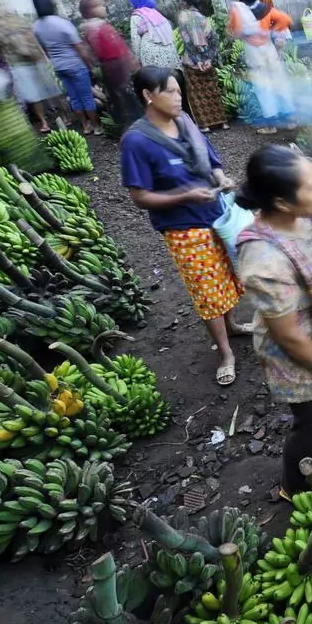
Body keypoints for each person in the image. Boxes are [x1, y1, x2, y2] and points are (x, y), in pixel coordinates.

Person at [235, 145, 312, 497]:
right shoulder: (263, 260)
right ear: (283, 202)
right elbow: (286, 334)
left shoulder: (301, 219)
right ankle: (297, 486)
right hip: (295, 350)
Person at [120, 67, 248, 386]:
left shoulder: (186, 123)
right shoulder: (136, 141)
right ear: (148, 96)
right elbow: (140, 196)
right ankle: (225, 352)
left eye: (179, 91)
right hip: (183, 227)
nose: (179, 98)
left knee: (228, 274)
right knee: (206, 289)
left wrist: (221, 179)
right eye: (170, 92)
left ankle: (232, 324)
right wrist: (185, 195)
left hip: (216, 214)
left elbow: (212, 161)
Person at [229, 0, 295, 133]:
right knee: (280, 84)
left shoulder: (237, 8)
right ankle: (291, 120)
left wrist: (246, 33)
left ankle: (271, 126)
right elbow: (286, 20)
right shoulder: (264, 7)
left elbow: (237, 31)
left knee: (263, 88)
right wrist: (270, 31)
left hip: (253, 52)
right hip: (269, 49)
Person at [31, 0, 101, 135]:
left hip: (59, 66)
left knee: (74, 98)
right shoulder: (62, 23)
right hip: (75, 65)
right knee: (87, 96)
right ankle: (97, 127)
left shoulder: (36, 26)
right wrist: (90, 65)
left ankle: (85, 126)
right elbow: (79, 47)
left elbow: (44, 49)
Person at [0, 0, 61, 133]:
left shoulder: (12, 22)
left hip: (28, 61)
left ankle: (56, 117)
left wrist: (43, 57)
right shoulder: (0, 25)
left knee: (45, 90)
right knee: (36, 94)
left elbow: (33, 38)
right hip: (21, 63)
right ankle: (47, 120)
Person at [78, 0, 141, 132]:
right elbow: (118, 49)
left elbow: (89, 53)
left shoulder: (87, 27)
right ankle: (137, 128)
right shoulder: (100, 27)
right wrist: (132, 63)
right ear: (90, 10)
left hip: (108, 68)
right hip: (117, 67)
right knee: (128, 99)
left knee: (119, 99)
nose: (104, 7)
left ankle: (127, 126)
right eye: (100, 5)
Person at [177, 0, 229, 133]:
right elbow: (214, 40)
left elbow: (188, 41)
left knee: (197, 94)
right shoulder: (205, 19)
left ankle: (205, 125)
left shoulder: (184, 17)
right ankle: (223, 122)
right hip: (208, 62)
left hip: (193, 62)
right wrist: (209, 58)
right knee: (212, 91)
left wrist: (198, 60)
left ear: (186, 3)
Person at [128, 0, 181, 71]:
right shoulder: (156, 13)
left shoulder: (136, 16)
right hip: (170, 54)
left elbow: (135, 41)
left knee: (157, 81)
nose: (131, 5)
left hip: (151, 57)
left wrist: (138, 60)